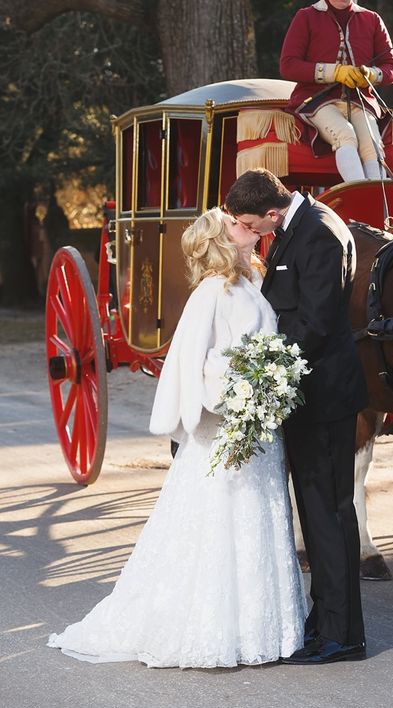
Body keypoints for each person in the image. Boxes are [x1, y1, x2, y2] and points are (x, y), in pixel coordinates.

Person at [47, 207, 307, 669]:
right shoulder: (211, 291)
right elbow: (194, 362)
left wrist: (269, 380)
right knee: (222, 520)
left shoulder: (250, 282)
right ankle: (212, 627)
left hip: (258, 427)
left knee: (254, 519)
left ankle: (259, 628)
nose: (242, 225)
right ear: (220, 240)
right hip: (228, 424)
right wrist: (243, 388)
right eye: (232, 223)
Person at [225, 168, 368, 664]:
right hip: (307, 395)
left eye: (249, 223)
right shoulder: (298, 226)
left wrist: (267, 378)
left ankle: (343, 635)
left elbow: (316, 321)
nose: (249, 232)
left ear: (270, 212)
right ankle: (324, 619)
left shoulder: (322, 233)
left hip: (324, 396)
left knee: (329, 514)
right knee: (316, 514)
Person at [280, 0, 393, 182]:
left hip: (360, 101)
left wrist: (370, 74)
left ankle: (375, 200)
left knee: (372, 144)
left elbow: (392, 69)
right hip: (316, 101)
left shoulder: (372, 19)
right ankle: (360, 197)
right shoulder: (306, 16)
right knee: (345, 134)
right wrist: (334, 72)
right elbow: (288, 65)